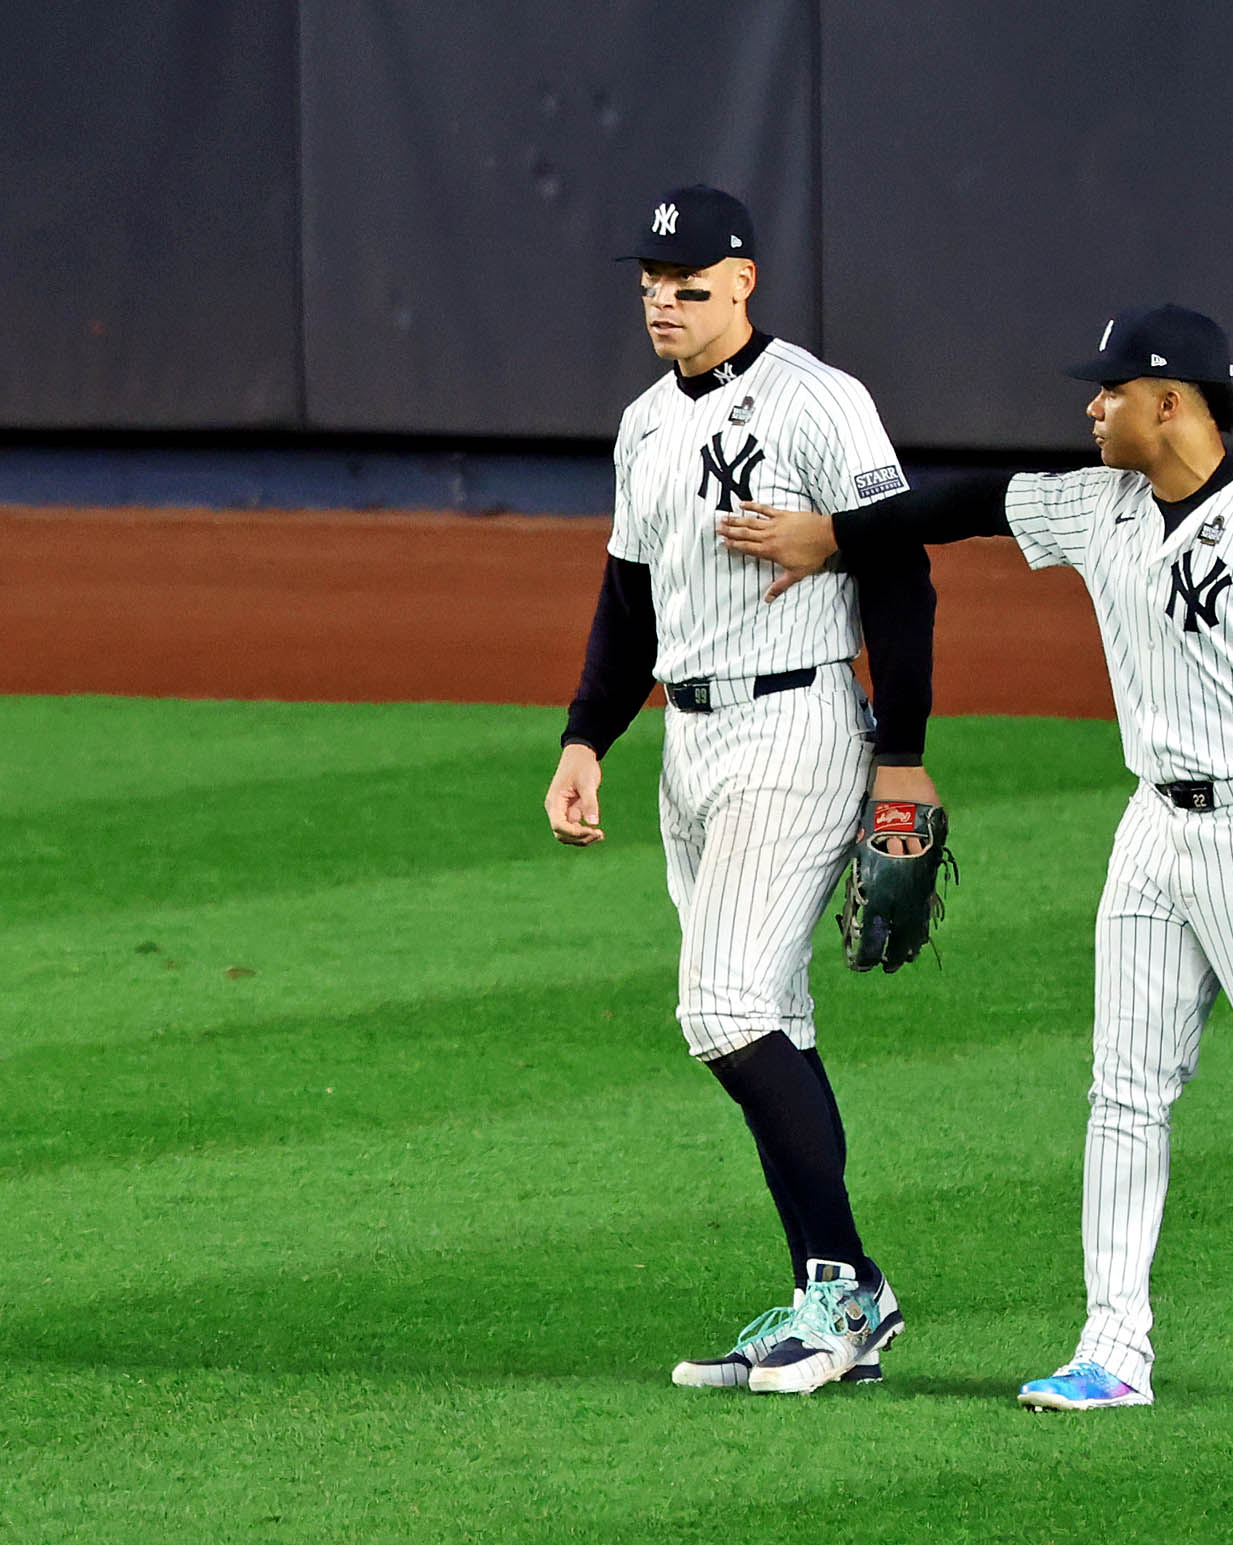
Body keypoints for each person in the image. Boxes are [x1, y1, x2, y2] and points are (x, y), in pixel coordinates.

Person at [718, 303, 1233, 1411]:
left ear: (1172, 404)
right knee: (1122, 1093)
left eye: (1110, 390)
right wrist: (835, 535)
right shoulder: (1099, 502)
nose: (1091, 405)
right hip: (1150, 832)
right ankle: (1112, 1349)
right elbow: (967, 504)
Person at [544, 185, 940, 1395]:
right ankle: (833, 1300)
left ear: (744, 280)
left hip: (799, 721)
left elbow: (900, 574)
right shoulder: (640, 425)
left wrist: (903, 747)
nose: (665, 299)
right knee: (773, 1017)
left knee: (720, 1010)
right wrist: (583, 740)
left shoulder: (821, 401)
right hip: (690, 742)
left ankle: (847, 1289)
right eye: (651, 281)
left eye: (690, 282)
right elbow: (627, 597)